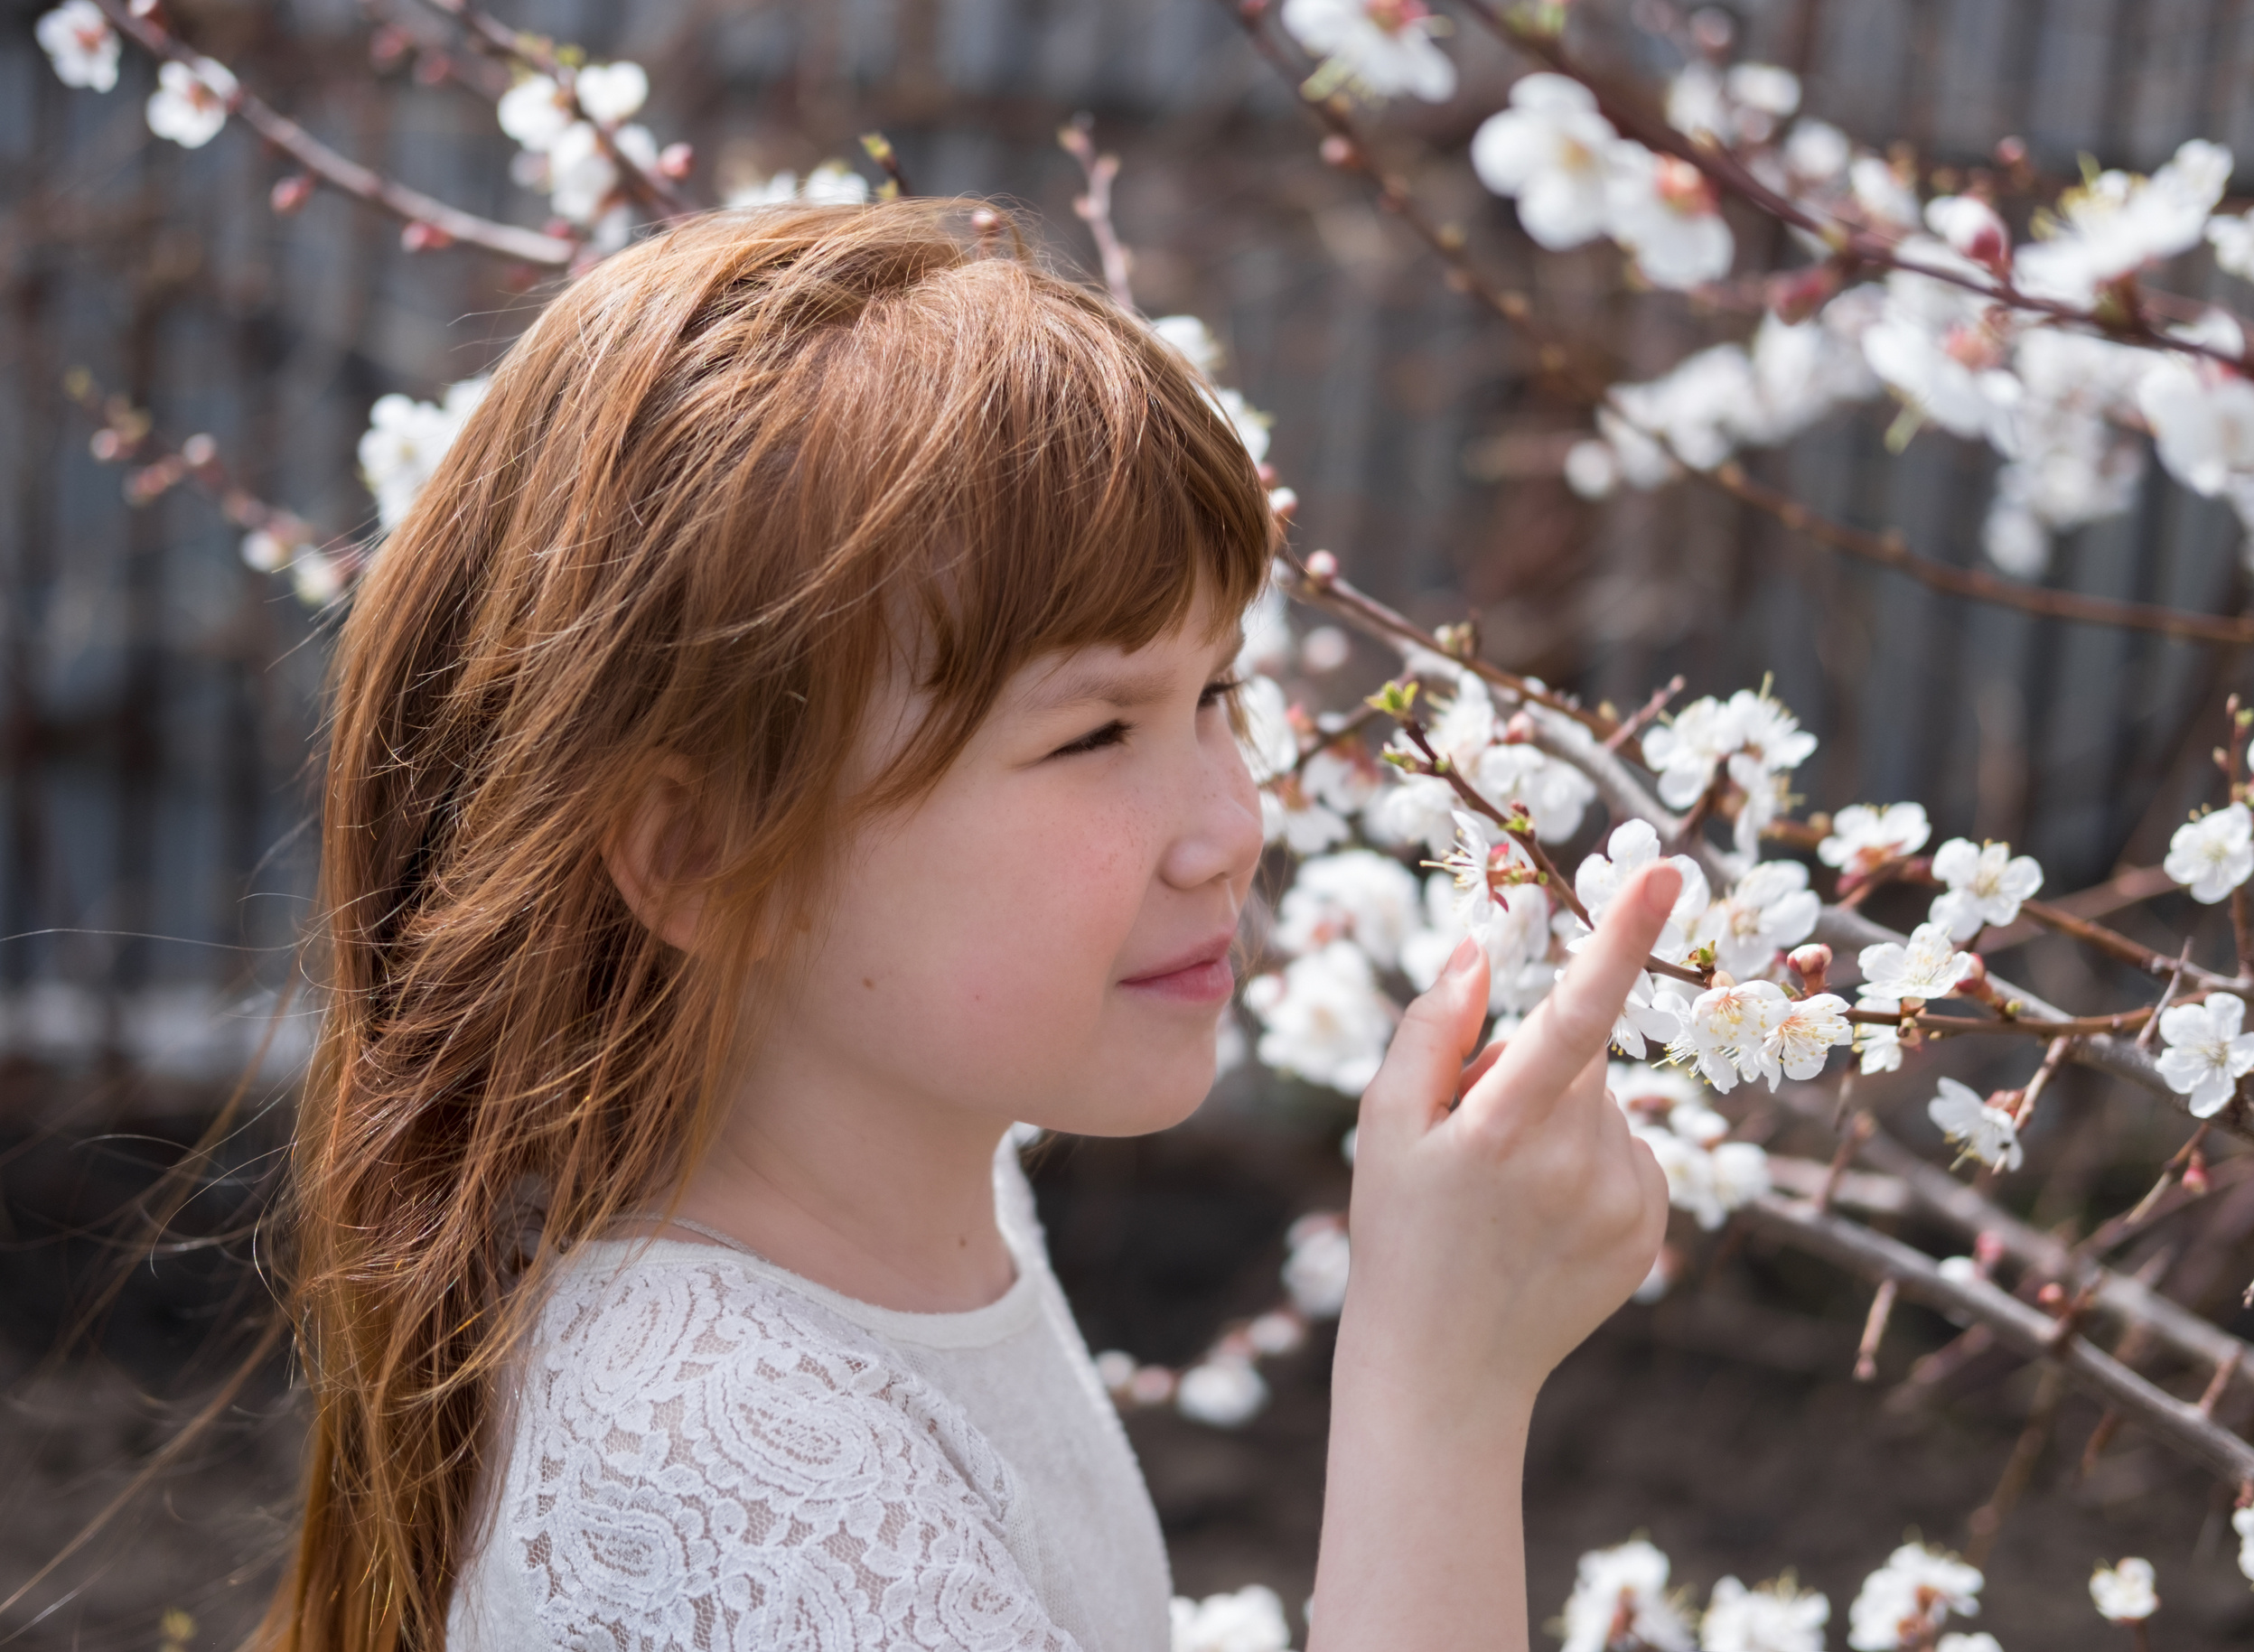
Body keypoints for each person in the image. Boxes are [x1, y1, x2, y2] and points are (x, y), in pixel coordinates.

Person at [265, 200, 1673, 1652]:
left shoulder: (936, 1216)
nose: (1233, 826)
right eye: (1093, 736)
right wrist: (1438, 1390)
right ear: (699, 852)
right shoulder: (729, 1470)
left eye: (1215, 698)